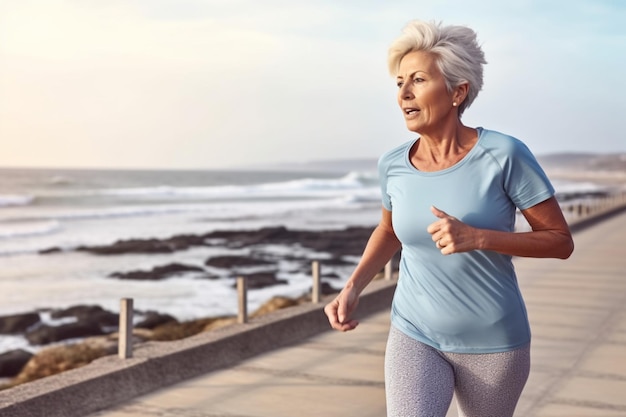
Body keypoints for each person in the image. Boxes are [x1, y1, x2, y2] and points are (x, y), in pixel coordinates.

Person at [324, 20, 574, 417]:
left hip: (493, 343)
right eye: (399, 82)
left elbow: (560, 241)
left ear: (458, 91)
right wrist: (353, 287)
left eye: (418, 80)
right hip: (415, 331)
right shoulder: (393, 164)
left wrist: (479, 237)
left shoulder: (504, 154)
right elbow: (389, 230)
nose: (404, 93)